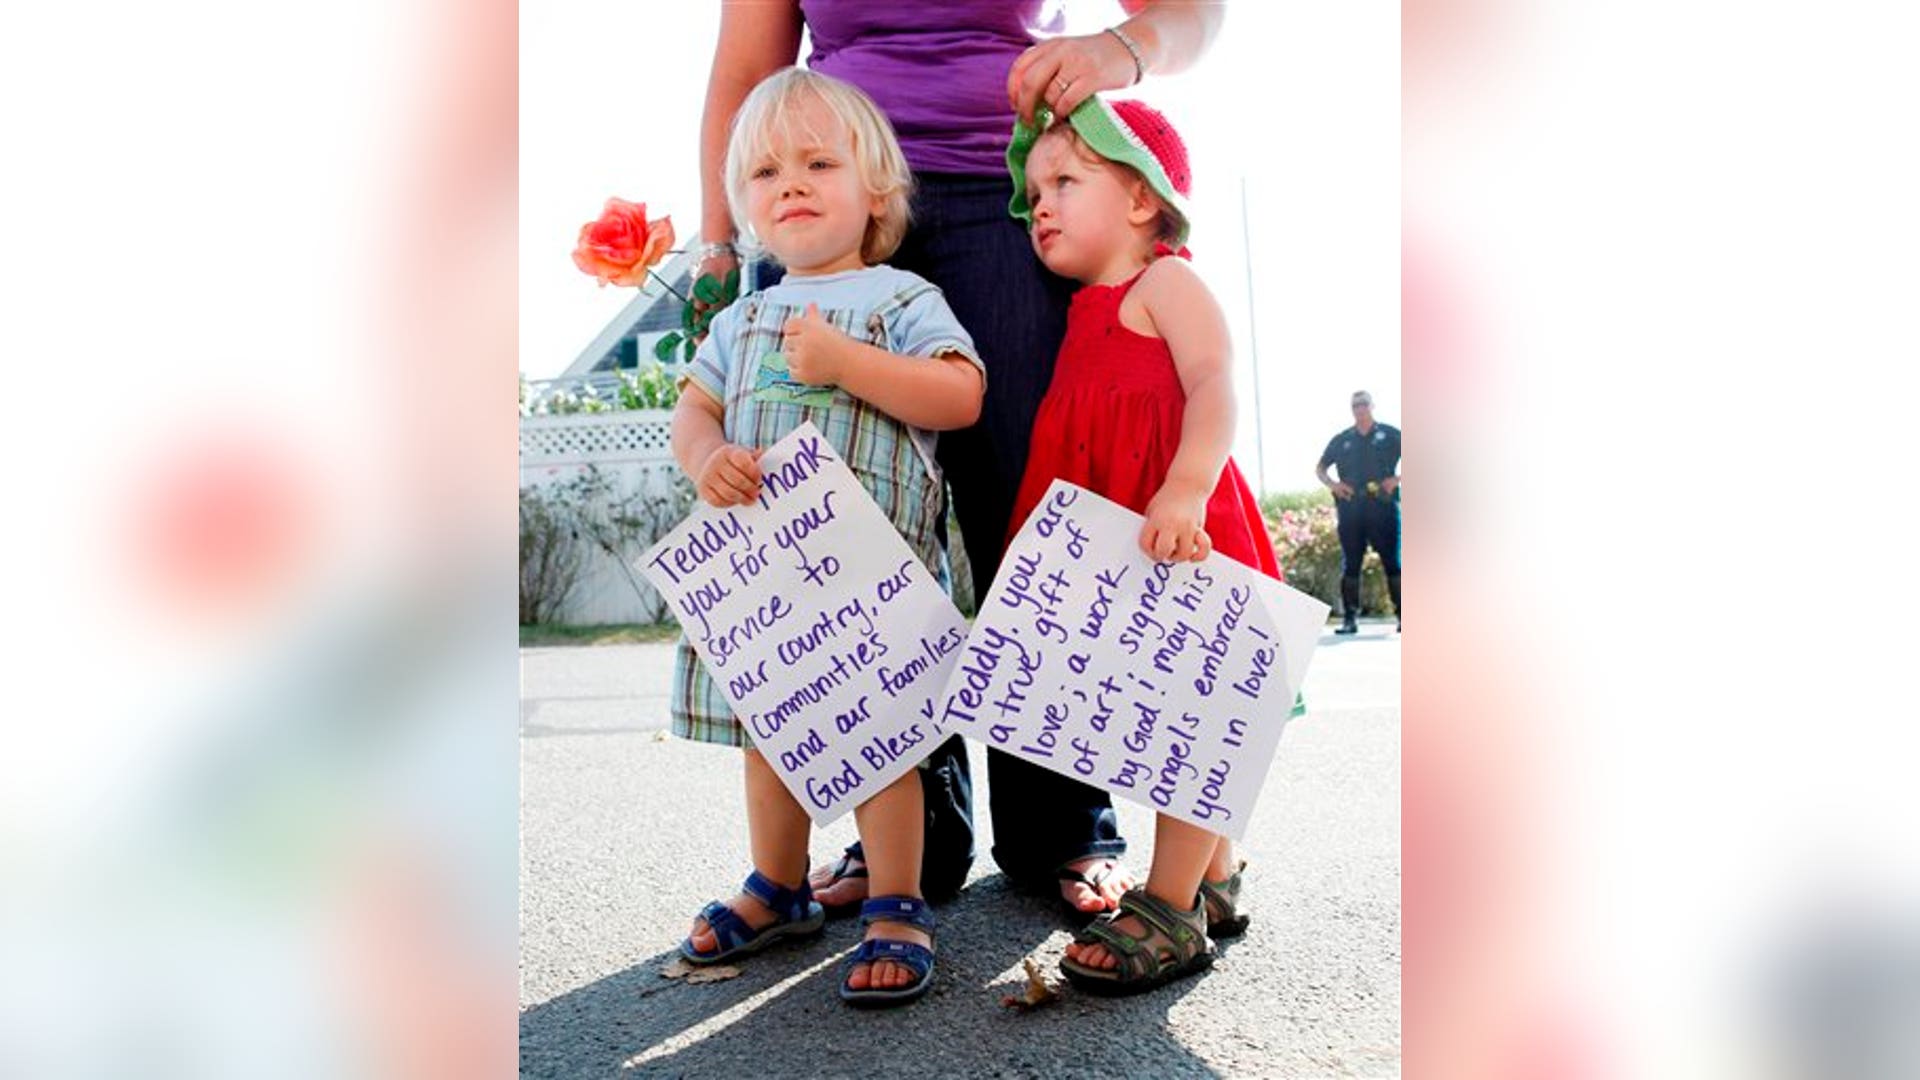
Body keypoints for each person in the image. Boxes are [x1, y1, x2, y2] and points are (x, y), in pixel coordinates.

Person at [688, 1, 1227, 922]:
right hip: (836, 193)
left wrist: (1122, 47)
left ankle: (1061, 823)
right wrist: (719, 240)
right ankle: (913, 843)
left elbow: (1190, 11)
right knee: (860, 530)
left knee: (1026, 505)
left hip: (999, 193)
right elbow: (743, 74)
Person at [667, 68, 987, 1007]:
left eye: (817, 162)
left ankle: (896, 898)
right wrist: (707, 456)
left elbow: (960, 395)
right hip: (766, 582)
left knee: (882, 737)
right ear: (746, 207)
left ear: (875, 191)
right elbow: (693, 413)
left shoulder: (900, 299)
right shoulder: (740, 319)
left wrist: (848, 361)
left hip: (868, 574)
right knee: (769, 728)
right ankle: (779, 882)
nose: (792, 184)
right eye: (766, 173)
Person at [1003, 95, 1276, 995]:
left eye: (1065, 181)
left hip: (1178, 531)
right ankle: (1216, 873)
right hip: (1117, 544)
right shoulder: (1081, 309)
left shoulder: (1166, 283)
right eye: (1034, 188)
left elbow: (1213, 385)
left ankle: (1171, 905)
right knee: (1147, 710)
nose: (1039, 203)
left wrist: (1187, 486)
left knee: (1187, 712)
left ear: (1142, 200)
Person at [1315, 390, 1402, 633]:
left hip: (1383, 506)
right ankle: (1350, 619)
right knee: (1351, 563)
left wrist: (1396, 479)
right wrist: (1334, 485)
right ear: (1351, 409)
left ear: (1372, 405)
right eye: (1355, 405)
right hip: (1351, 507)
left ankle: (1404, 617)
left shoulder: (1390, 435)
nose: (1360, 408)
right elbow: (1321, 467)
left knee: (1392, 563)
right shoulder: (1343, 439)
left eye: (1364, 404)